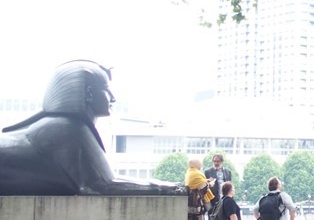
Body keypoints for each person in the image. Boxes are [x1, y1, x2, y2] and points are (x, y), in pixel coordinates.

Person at [0, 59, 181, 196]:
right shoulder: (65, 128)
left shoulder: (63, 127)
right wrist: (160, 188)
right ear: (88, 93)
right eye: (106, 90)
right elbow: (96, 186)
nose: (113, 97)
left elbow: (105, 181)